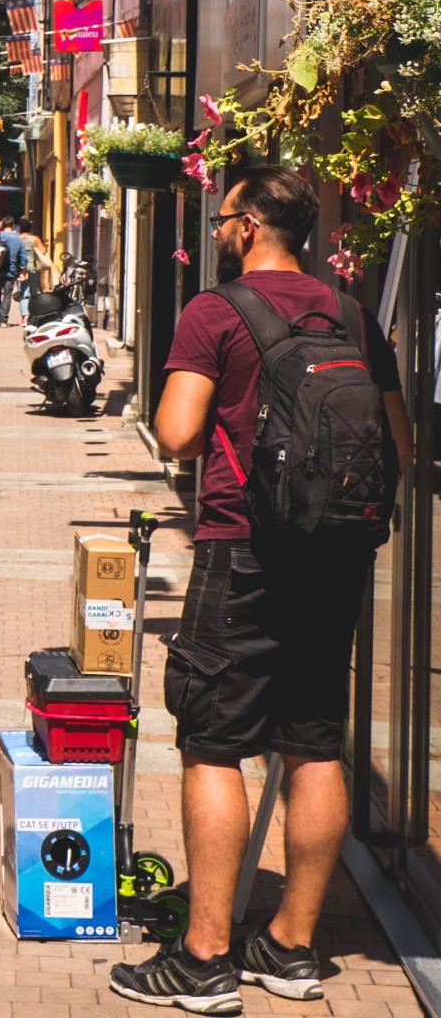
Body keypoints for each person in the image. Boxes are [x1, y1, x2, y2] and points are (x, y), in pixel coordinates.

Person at [110, 166, 414, 1012]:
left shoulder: (217, 312)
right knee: (315, 742)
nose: (213, 230)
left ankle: (204, 956)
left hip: (245, 551)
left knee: (213, 742)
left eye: (220, 218)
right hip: (339, 556)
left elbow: (174, 433)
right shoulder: (352, 311)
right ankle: (292, 946)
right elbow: (402, 443)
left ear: (247, 227)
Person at [0, 218, 28, 326]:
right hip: (11, 271)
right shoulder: (18, 239)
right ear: (12, 225)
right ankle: (4, 320)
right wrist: (21, 271)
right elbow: (24, 258)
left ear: (3, 224)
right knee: (7, 295)